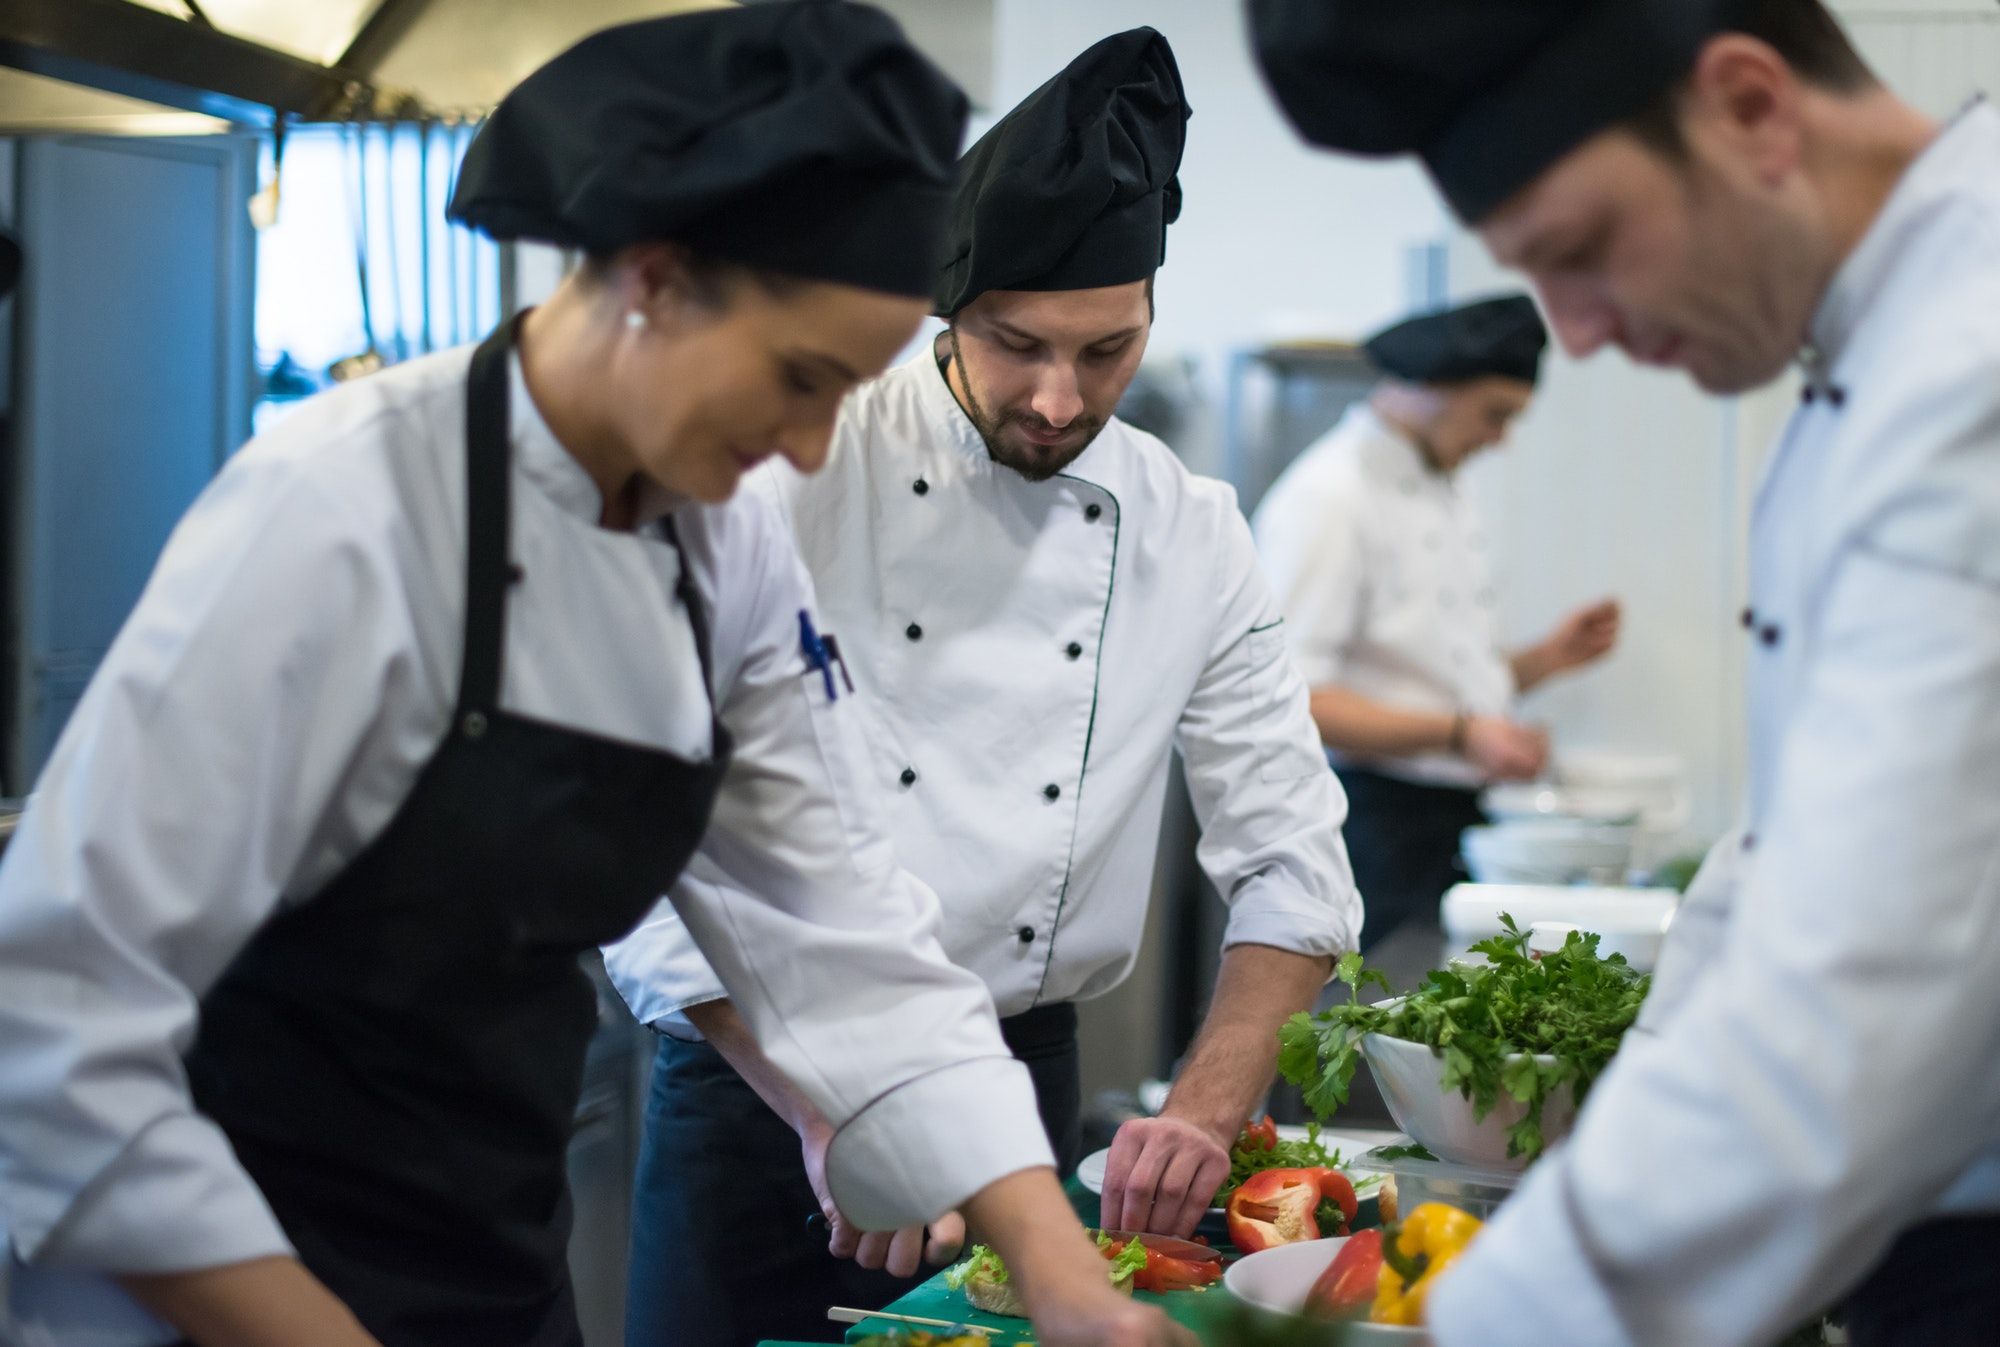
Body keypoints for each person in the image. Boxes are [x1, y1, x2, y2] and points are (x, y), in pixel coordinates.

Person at [0, 8, 1191, 1347]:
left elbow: (836, 920)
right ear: (654, 277)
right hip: (215, 1277)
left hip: (489, 1261)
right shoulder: (344, 508)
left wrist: (1064, 1276)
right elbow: (57, 1032)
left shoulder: (718, 543)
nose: (808, 449)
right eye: (800, 381)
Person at [1250, 0, 2000, 1343]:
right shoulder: (1867, 366)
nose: (1580, 334)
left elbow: (1860, 1006)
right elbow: (1779, 865)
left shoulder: (1971, 367)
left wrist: (1498, 1312)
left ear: (1754, 107)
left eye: (1583, 252)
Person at [607, 27, 1360, 1347]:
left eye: (1108, 351)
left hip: (1021, 1072)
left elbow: (1296, 863)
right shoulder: (797, 465)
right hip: (766, 1082)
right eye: (1018, 344)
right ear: (947, 304)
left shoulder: (1193, 529)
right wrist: (836, 1104)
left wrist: (1203, 1103)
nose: (1060, 397)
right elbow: (648, 843)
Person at [1252, 294, 1620, 956]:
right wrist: (1460, 733)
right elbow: (1289, 697)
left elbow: (1421, 671)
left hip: (1444, 821)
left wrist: (1549, 658)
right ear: (1429, 389)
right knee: (1363, 1031)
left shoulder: (1443, 484)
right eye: (1495, 414)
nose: (1500, 438)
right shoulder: (1329, 494)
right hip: (1368, 822)